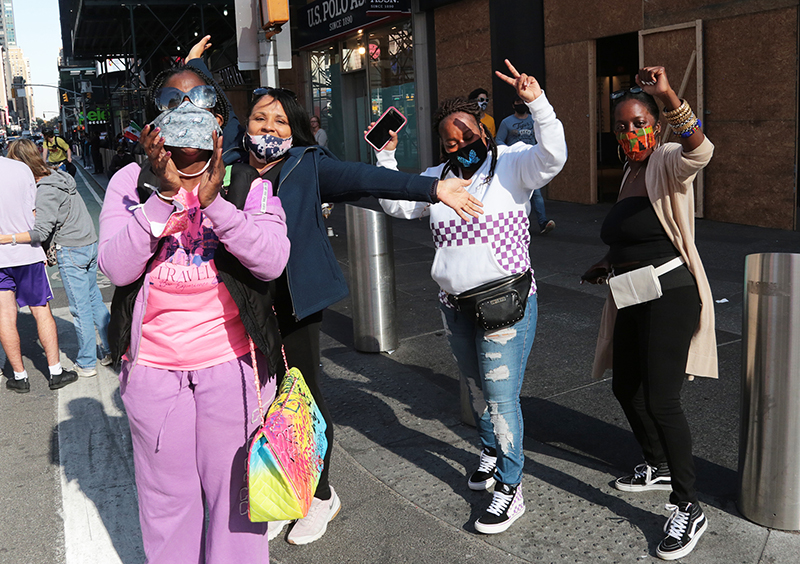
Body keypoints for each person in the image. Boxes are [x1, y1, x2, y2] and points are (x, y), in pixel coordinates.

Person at [183, 34, 481, 546]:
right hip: (242, 304)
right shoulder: (230, 155)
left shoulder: (307, 164)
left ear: (293, 127)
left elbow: (370, 176)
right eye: (260, 119)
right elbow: (222, 115)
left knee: (303, 396)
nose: (267, 128)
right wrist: (199, 72)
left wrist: (433, 188)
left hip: (295, 301)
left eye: (278, 121)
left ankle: (320, 495)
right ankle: (286, 489)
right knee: (262, 399)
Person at [99, 63, 291, 564]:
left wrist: (217, 205)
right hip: (154, 374)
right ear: (152, 126)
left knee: (237, 505)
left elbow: (271, 259)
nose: (187, 113)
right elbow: (117, 267)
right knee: (167, 505)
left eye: (201, 101)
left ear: (220, 119)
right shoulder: (129, 181)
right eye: (171, 103)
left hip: (233, 369)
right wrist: (163, 199)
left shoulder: (247, 181)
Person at [376, 60, 567, 534]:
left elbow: (555, 157)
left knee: (502, 400)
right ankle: (488, 451)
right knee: (478, 391)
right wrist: (385, 157)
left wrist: (537, 102)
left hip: (507, 304)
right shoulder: (439, 176)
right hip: (456, 306)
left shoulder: (512, 163)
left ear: (485, 130)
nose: (459, 144)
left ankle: (510, 486)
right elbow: (400, 205)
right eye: (449, 140)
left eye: (466, 134)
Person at [582, 66, 716, 561]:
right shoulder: (629, 171)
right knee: (624, 386)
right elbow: (634, 233)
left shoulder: (665, 160)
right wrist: (605, 263)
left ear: (654, 126)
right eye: (621, 126)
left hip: (670, 292)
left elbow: (701, 150)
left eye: (639, 122)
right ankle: (655, 463)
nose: (631, 132)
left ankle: (688, 504)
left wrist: (667, 96)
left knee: (662, 400)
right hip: (631, 290)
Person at [2, 139, 111, 378]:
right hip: (89, 242)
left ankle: (86, 363)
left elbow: (40, 232)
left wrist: (5, 238)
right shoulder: (59, 176)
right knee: (94, 300)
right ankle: (110, 349)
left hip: (71, 249)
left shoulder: (45, 190)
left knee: (80, 308)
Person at [0, 155, 78, 393]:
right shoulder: (19, 169)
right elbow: (34, 212)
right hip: (26, 254)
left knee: (4, 314)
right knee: (41, 312)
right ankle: (55, 372)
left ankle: (20, 377)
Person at [496, 97, 555, 235]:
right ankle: (514, 224)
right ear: (513, 105)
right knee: (514, 194)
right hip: (514, 161)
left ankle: (543, 223)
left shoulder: (533, 121)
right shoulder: (507, 122)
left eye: (523, 102)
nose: (521, 105)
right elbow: (498, 139)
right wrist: (507, 151)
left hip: (531, 160)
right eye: (518, 103)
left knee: (537, 194)